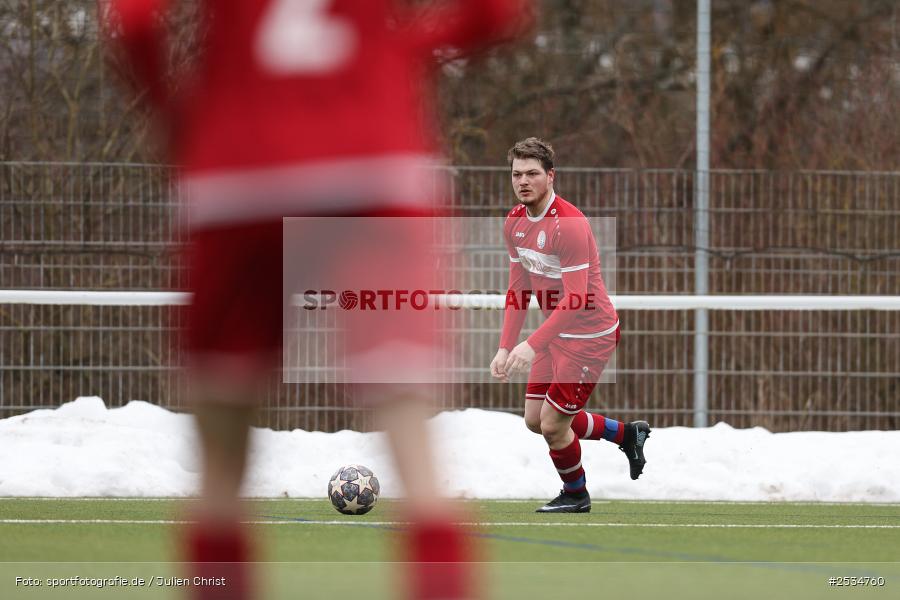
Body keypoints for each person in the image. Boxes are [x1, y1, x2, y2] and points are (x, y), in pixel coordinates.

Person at [104, 1, 532, 598]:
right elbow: (495, 13)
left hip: (239, 172)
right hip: (373, 169)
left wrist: (177, 118)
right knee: (411, 438)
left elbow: (133, 19)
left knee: (222, 467)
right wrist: (400, 53)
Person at [490, 137, 651, 513]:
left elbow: (577, 300)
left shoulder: (570, 225)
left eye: (532, 173)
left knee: (552, 425)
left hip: (589, 336)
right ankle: (627, 434)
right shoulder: (514, 222)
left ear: (551, 176)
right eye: (516, 174)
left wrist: (531, 344)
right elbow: (518, 289)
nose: (523, 181)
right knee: (535, 420)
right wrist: (504, 345)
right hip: (554, 335)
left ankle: (576, 495)